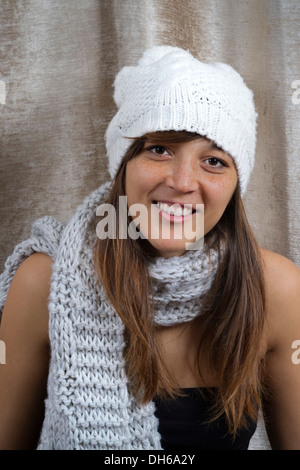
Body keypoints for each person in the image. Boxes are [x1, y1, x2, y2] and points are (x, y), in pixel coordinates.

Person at [0, 45, 299, 450]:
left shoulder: (276, 289)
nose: (181, 181)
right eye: (159, 149)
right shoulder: (43, 282)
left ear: (235, 186)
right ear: (122, 166)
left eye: (213, 161)